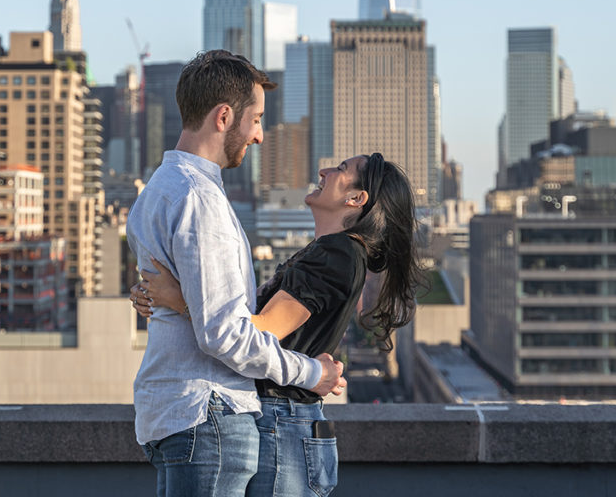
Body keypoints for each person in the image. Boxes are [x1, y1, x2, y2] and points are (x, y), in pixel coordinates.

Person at [132, 151, 427, 497]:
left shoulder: (338, 254)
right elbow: (239, 314)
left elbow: (255, 330)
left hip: (284, 424)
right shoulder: (329, 251)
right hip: (284, 423)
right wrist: (163, 294)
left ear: (356, 198)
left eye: (341, 169)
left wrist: (177, 299)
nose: (323, 169)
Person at [127, 49, 346, 497]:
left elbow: (193, 307)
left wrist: (172, 299)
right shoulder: (200, 201)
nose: (261, 136)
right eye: (257, 119)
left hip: (172, 412)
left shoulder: (155, 191)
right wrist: (311, 374)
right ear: (224, 116)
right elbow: (223, 333)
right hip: (209, 415)